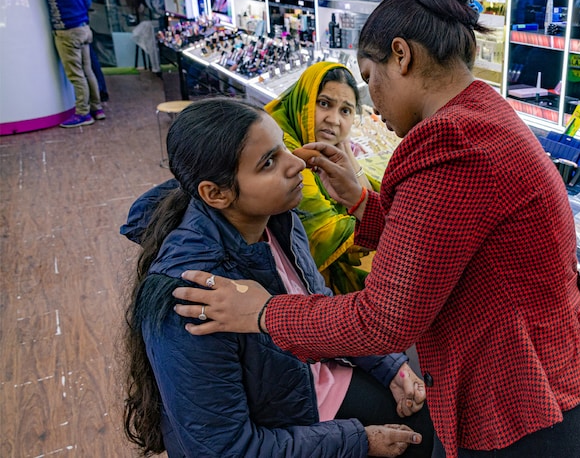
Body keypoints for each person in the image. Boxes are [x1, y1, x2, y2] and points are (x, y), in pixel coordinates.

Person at [172, 0, 580, 457]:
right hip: (547, 376)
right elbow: (444, 238)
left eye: (369, 81)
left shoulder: (448, 140)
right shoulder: (482, 111)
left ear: (401, 56)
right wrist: (363, 202)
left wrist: (264, 313)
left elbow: (385, 318)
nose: (370, 104)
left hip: (523, 398)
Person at [121, 97, 433, 457]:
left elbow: (319, 305)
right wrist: (358, 441)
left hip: (311, 383)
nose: (298, 163)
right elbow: (225, 449)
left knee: (432, 424)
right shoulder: (192, 296)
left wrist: (389, 365)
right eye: (269, 162)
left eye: (284, 146)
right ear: (216, 194)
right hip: (290, 424)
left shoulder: (279, 221)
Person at [265, 61, 379, 294]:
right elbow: (328, 232)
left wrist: (350, 158)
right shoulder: (282, 149)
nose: (334, 120)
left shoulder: (322, 148)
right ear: (303, 101)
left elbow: (373, 195)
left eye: (345, 110)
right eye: (324, 104)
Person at [17, 0, 104, 127]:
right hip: (84, 27)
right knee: (88, 71)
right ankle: (97, 108)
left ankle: (83, 114)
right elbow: (87, 1)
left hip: (67, 30)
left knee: (76, 75)